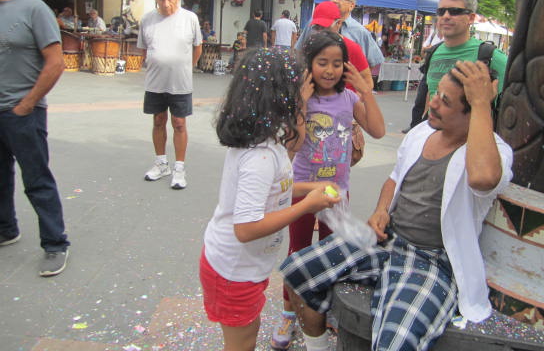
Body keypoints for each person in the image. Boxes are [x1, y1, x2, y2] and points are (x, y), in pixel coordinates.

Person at [281, 61, 513, 351]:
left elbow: (483, 178)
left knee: (395, 343)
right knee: (296, 271)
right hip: (387, 239)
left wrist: (482, 104)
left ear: (473, 113)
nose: (433, 103)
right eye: (436, 93)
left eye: (445, 101)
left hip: (432, 262)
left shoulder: (494, 152)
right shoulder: (421, 133)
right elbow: (394, 180)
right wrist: (381, 210)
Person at [200, 47, 340, 351]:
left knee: (249, 331)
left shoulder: (266, 137)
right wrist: (307, 206)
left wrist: (308, 189)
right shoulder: (260, 156)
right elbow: (246, 228)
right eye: (295, 87)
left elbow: (277, 187)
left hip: (244, 267)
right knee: (241, 343)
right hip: (234, 271)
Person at [271, 30, 386, 349]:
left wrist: (365, 90)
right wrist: (302, 104)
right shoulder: (300, 99)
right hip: (304, 189)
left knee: (333, 253)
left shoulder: (350, 99)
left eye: (337, 63)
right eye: (323, 62)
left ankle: (325, 313)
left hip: (338, 192)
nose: (330, 69)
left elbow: (378, 130)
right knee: (297, 250)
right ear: (309, 64)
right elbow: (292, 145)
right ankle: (289, 313)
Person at [0, 0, 70, 277]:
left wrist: (27, 104)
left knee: (36, 179)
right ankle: (6, 229)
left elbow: (55, 63)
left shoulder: (34, 8)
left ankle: (55, 244)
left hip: (23, 113)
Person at [402, 0, 508, 133]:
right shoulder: (434, 52)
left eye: (455, 11)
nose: (446, 16)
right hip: (435, 139)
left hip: (472, 143)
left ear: (470, 18)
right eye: (441, 11)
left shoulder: (490, 56)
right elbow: (430, 93)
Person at [137, 0, 202, 190]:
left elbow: (198, 48)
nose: (165, 4)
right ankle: (161, 163)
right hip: (155, 81)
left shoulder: (190, 19)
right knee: (158, 120)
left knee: (179, 123)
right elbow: (143, 50)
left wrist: (186, 68)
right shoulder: (147, 19)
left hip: (180, 82)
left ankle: (179, 169)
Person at [296, 0, 384, 69]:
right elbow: (299, 50)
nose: (334, 0)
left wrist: (356, 81)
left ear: (351, 6)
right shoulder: (315, 21)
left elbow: (374, 61)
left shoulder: (360, 32)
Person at [305, 0, 374, 91]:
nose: (320, 32)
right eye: (317, 28)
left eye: (325, 27)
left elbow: (368, 82)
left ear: (339, 23)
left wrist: (354, 100)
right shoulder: (311, 46)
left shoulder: (352, 48)